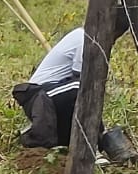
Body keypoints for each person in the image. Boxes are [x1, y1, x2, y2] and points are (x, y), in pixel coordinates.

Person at [12, 9, 135, 159]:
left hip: (55, 94)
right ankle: (88, 148)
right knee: (84, 88)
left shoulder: (93, 40)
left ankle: (87, 144)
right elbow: (83, 85)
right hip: (38, 96)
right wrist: (99, 133)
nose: (114, 39)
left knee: (86, 90)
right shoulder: (86, 38)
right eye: (115, 33)